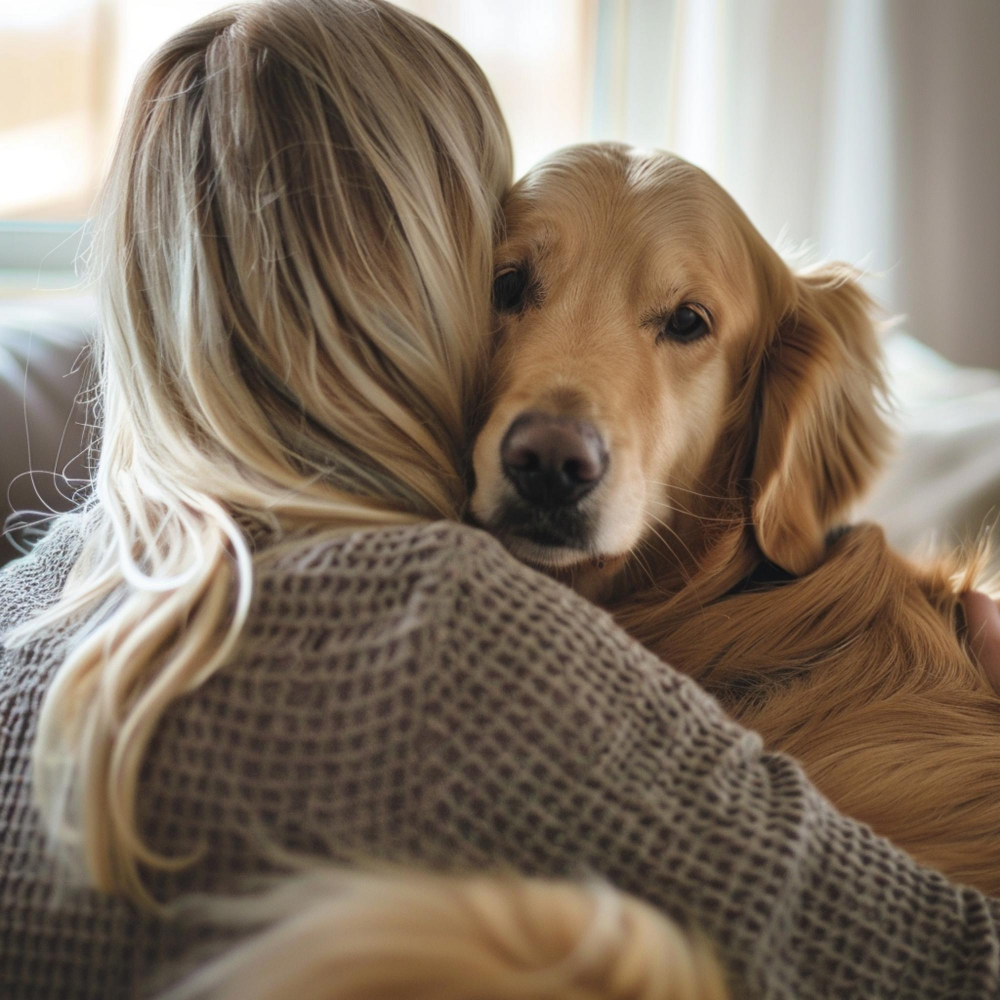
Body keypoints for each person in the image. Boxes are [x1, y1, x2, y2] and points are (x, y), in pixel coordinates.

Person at [0, 1, 998, 998]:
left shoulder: (23, 602)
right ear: (420, 278)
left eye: (683, 321)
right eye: (508, 282)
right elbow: (948, 961)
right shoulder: (454, 624)